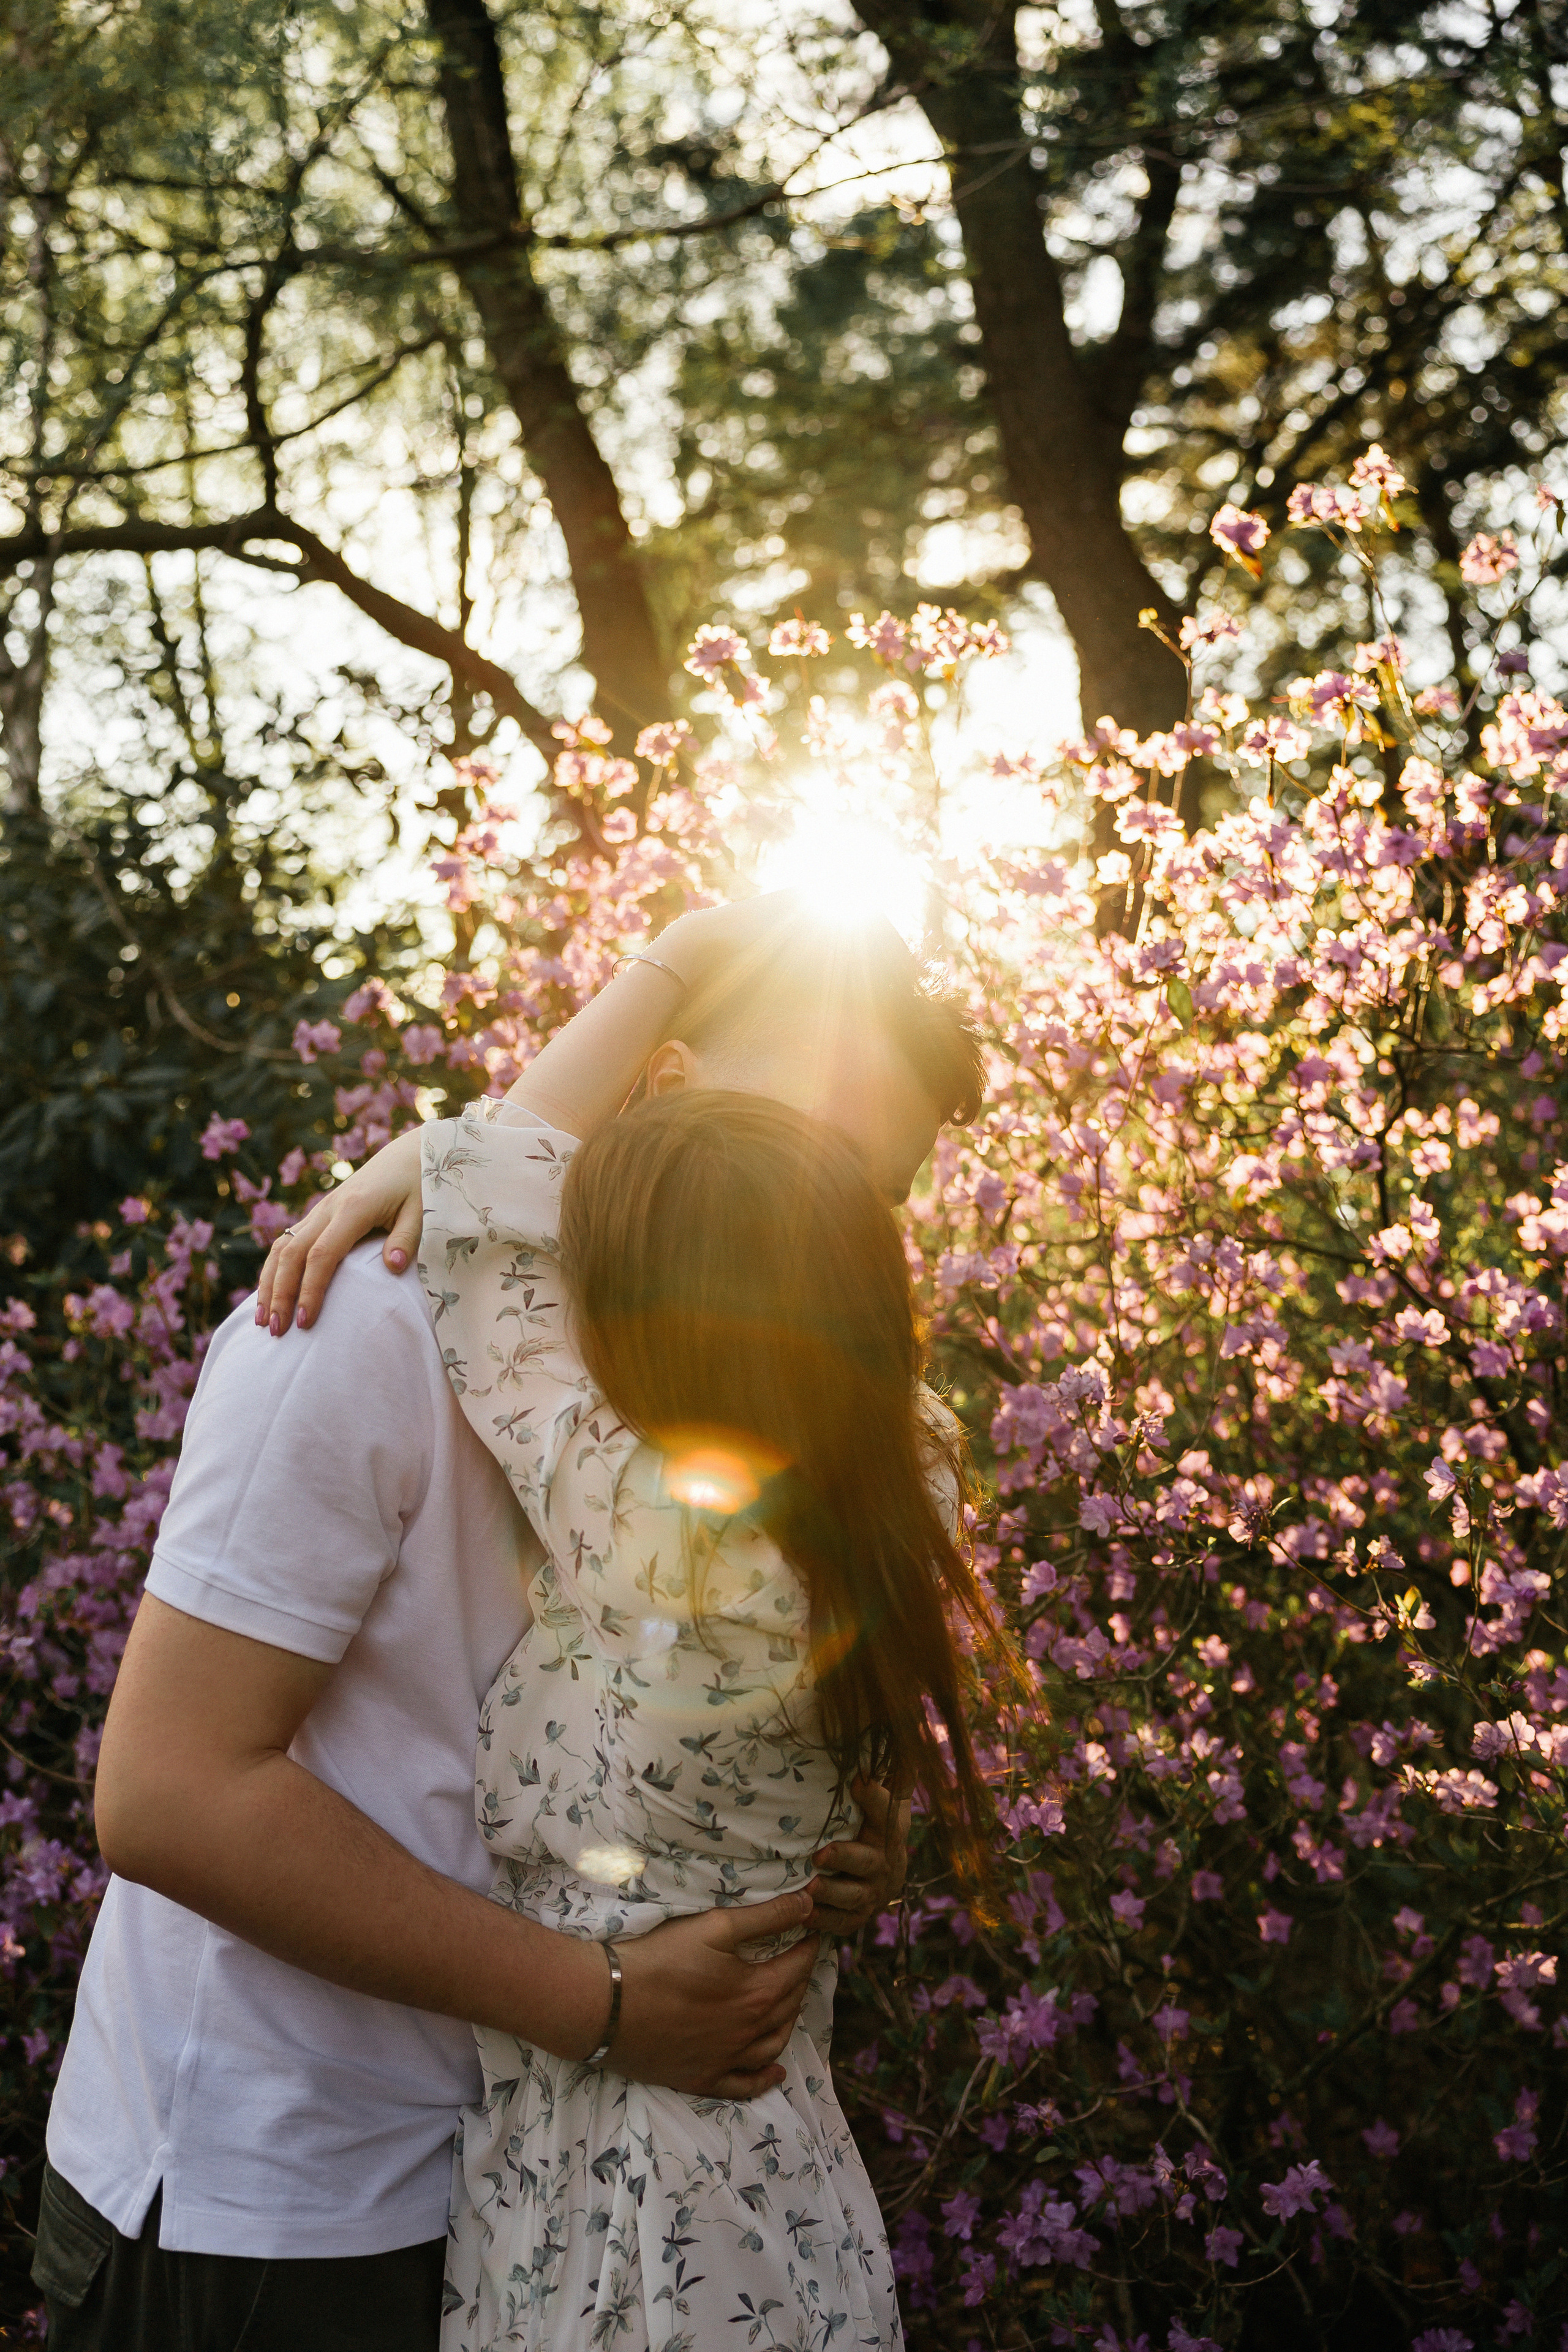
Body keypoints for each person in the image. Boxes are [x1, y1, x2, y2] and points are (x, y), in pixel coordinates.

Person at [34, 899, 976, 2352]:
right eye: (809, 1150)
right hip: (284, 2201)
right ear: (662, 1099)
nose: (828, 1223)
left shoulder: (741, 1419)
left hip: (530, 2198)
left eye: (874, 1191)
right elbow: (167, 1793)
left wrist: (834, 1839)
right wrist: (595, 2000)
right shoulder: (371, 1327)